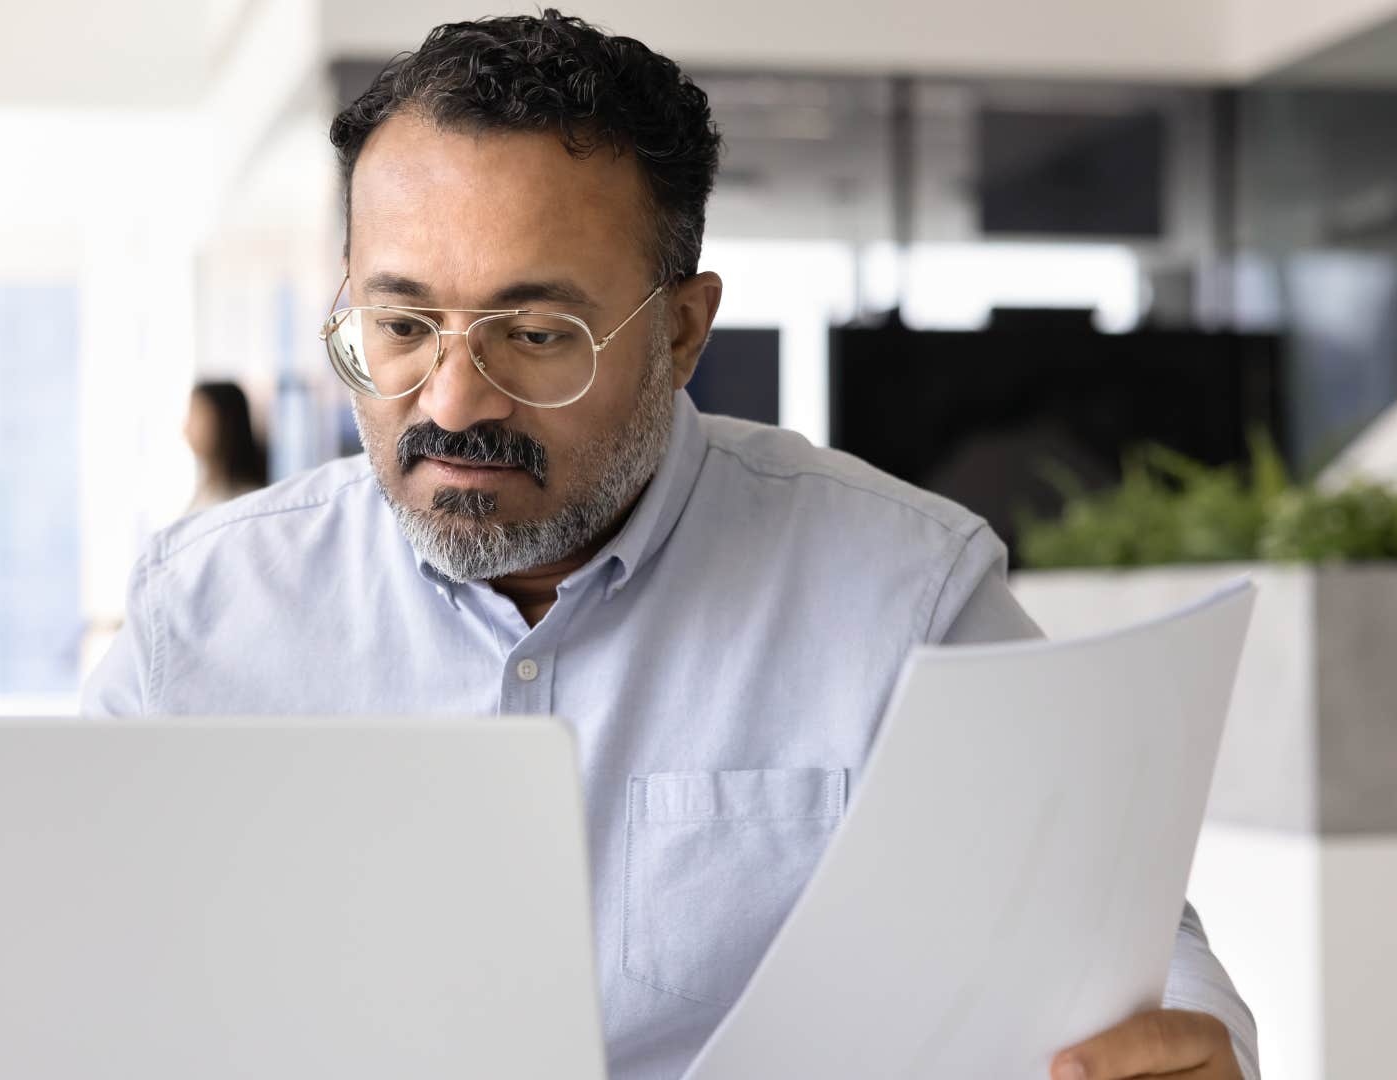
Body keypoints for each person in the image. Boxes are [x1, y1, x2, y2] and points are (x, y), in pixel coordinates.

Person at [86, 12, 1258, 1080]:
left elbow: (1120, 943)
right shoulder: (204, 617)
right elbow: (71, 971)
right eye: (399, 327)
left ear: (685, 331)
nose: (452, 401)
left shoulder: (901, 591)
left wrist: (1194, 1048)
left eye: (538, 334)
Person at [183, 380, 268, 513]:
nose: (186, 429)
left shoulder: (246, 499)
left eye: (197, 415)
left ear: (225, 422)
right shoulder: (207, 489)